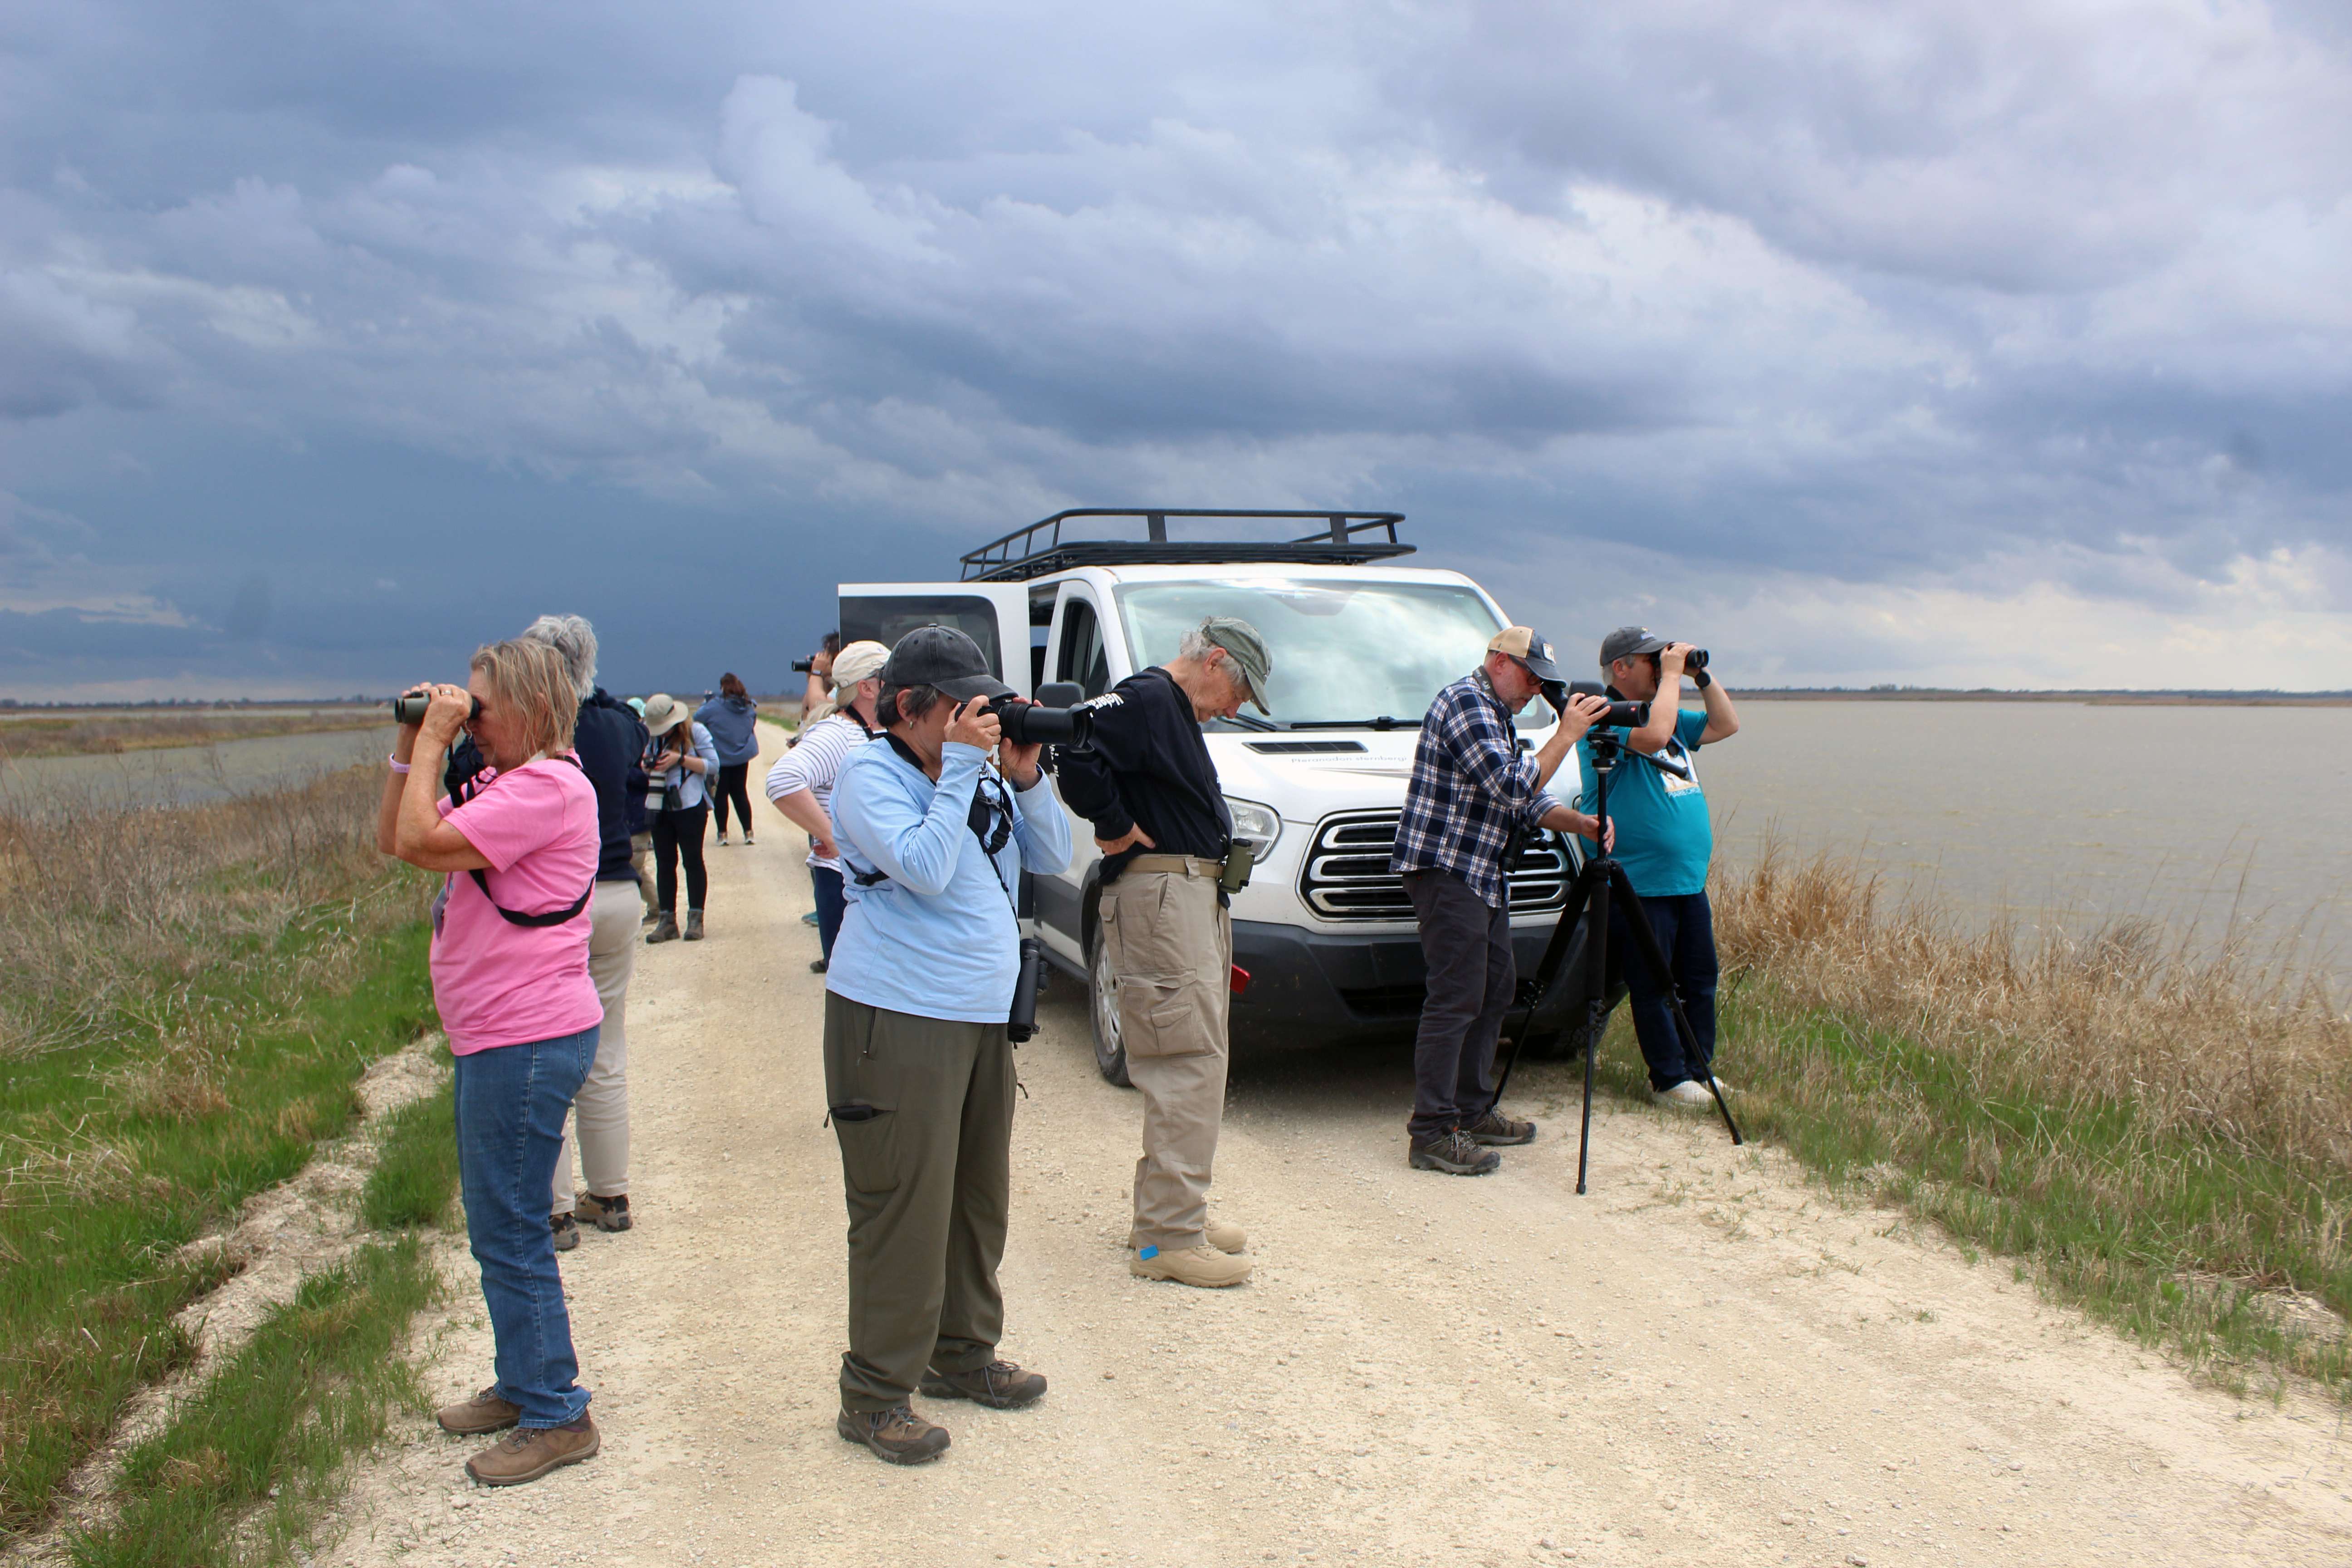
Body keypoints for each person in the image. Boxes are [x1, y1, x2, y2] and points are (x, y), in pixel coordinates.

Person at [823, 626, 1072, 1465]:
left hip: (976, 1016)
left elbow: (1054, 853)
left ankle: (960, 1356)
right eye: (962, 705)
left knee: (974, 1198)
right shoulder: (868, 773)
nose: (981, 717)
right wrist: (968, 766)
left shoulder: (976, 768)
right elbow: (922, 869)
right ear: (909, 707)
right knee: (904, 1207)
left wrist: (1026, 773)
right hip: (894, 1016)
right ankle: (874, 1396)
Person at [378, 638, 602, 1487]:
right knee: (496, 1222)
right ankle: (523, 1382)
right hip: (498, 1034)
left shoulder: (546, 787)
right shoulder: (515, 782)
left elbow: (422, 842)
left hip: (526, 1037)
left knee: (509, 1226)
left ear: (536, 710)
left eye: (481, 708)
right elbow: (395, 837)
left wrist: (432, 740)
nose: (469, 720)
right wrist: (410, 747)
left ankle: (556, 1411)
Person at [1055, 617, 1269, 1288]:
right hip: (1163, 897)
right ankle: (1165, 1240)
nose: (1236, 708)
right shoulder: (1147, 699)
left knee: (1198, 1053)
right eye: (1239, 692)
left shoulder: (1167, 708)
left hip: (1188, 897)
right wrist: (1115, 828)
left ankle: (1175, 1213)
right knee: (1185, 1060)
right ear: (1214, 660)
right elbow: (1073, 746)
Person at [1391, 628, 1612, 1176]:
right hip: (1447, 870)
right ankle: (1433, 1132)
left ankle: (1471, 1108)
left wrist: (1579, 821)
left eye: (1543, 681)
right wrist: (1567, 733)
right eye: (1530, 675)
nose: (1535, 688)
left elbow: (1527, 801)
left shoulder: (1497, 716)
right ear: (1497, 661)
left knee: (1494, 990)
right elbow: (1512, 786)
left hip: (1478, 875)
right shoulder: (1465, 702)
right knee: (1456, 997)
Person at [519, 615, 649, 1250]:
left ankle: (552, 1209)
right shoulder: (621, 723)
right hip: (618, 889)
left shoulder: (529, 731)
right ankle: (611, 1192)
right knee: (606, 1047)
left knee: (544, 1050)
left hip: (554, 899)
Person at [1578, 627, 1742, 1107]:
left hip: (1686, 879)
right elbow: (1652, 738)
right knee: (1653, 982)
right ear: (1621, 668)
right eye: (1651, 660)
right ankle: (1669, 1081)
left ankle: (1699, 1071)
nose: (1660, 667)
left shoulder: (1662, 712)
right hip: (1639, 879)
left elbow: (1725, 725)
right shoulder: (1602, 716)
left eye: (1662, 659)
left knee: (1699, 978)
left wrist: (1700, 675)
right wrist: (1673, 676)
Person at [764, 640, 889, 973]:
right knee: (855, 989)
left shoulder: (879, 731)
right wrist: (832, 836)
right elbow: (782, 780)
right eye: (889, 676)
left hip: (872, 883)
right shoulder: (837, 734)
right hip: (843, 884)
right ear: (867, 688)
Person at [638, 693, 720, 943]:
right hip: (659, 804)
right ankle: (667, 920)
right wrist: (646, 765)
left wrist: (680, 760)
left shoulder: (696, 732)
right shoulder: (650, 737)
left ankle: (696, 919)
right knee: (664, 863)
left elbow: (714, 765)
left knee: (693, 861)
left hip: (691, 804)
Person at [698, 674, 761, 847]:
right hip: (742, 757)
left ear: (722, 688)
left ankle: (723, 834)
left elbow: (697, 719)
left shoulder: (713, 707)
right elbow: (752, 722)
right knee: (740, 793)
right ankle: (749, 832)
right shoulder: (748, 706)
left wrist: (708, 702)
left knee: (720, 795)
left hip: (720, 759)